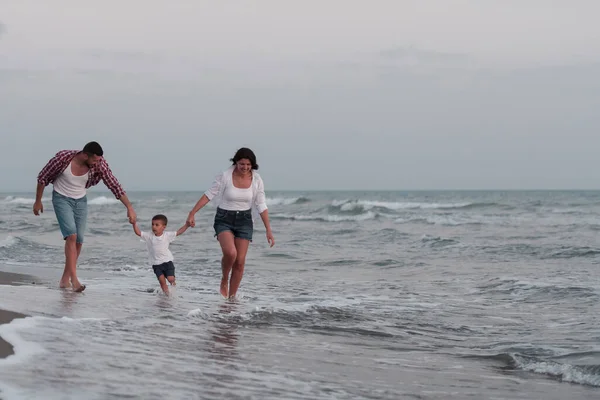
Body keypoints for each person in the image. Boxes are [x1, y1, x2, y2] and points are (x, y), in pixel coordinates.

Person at [33, 141, 137, 292]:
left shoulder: (99, 164)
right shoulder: (63, 158)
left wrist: (129, 207)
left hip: (80, 201)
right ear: (85, 155)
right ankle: (74, 280)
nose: (98, 163)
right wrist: (38, 201)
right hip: (61, 198)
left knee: (79, 240)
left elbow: (114, 184)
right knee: (71, 236)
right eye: (95, 159)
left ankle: (64, 280)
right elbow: (43, 177)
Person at [187, 147, 275, 300]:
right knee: (231, 253)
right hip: (224, 218)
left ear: (252, 165)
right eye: (242, 164)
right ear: (236, 162)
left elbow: (261, 204)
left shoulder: (257, 179)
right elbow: (209, 194)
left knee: (240, 262)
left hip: (245, 221)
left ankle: (231, 300)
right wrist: (192, 212)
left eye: (248, 165)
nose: (245, 168)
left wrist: (268, 229)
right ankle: (224, 279)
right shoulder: (225, 176)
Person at [131, 214, 190, 295]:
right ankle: (167, 296)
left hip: (167, 262)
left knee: (170, 279)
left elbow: (179, 232)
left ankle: (174, 289)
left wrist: (187, 225)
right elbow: (138, 233)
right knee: (162, 282)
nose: (154, 227)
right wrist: (134, 224)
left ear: (164, 227)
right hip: (156, 264)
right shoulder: (149, 236)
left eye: (157, 225)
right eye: (152, 224)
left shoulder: (167, 235)